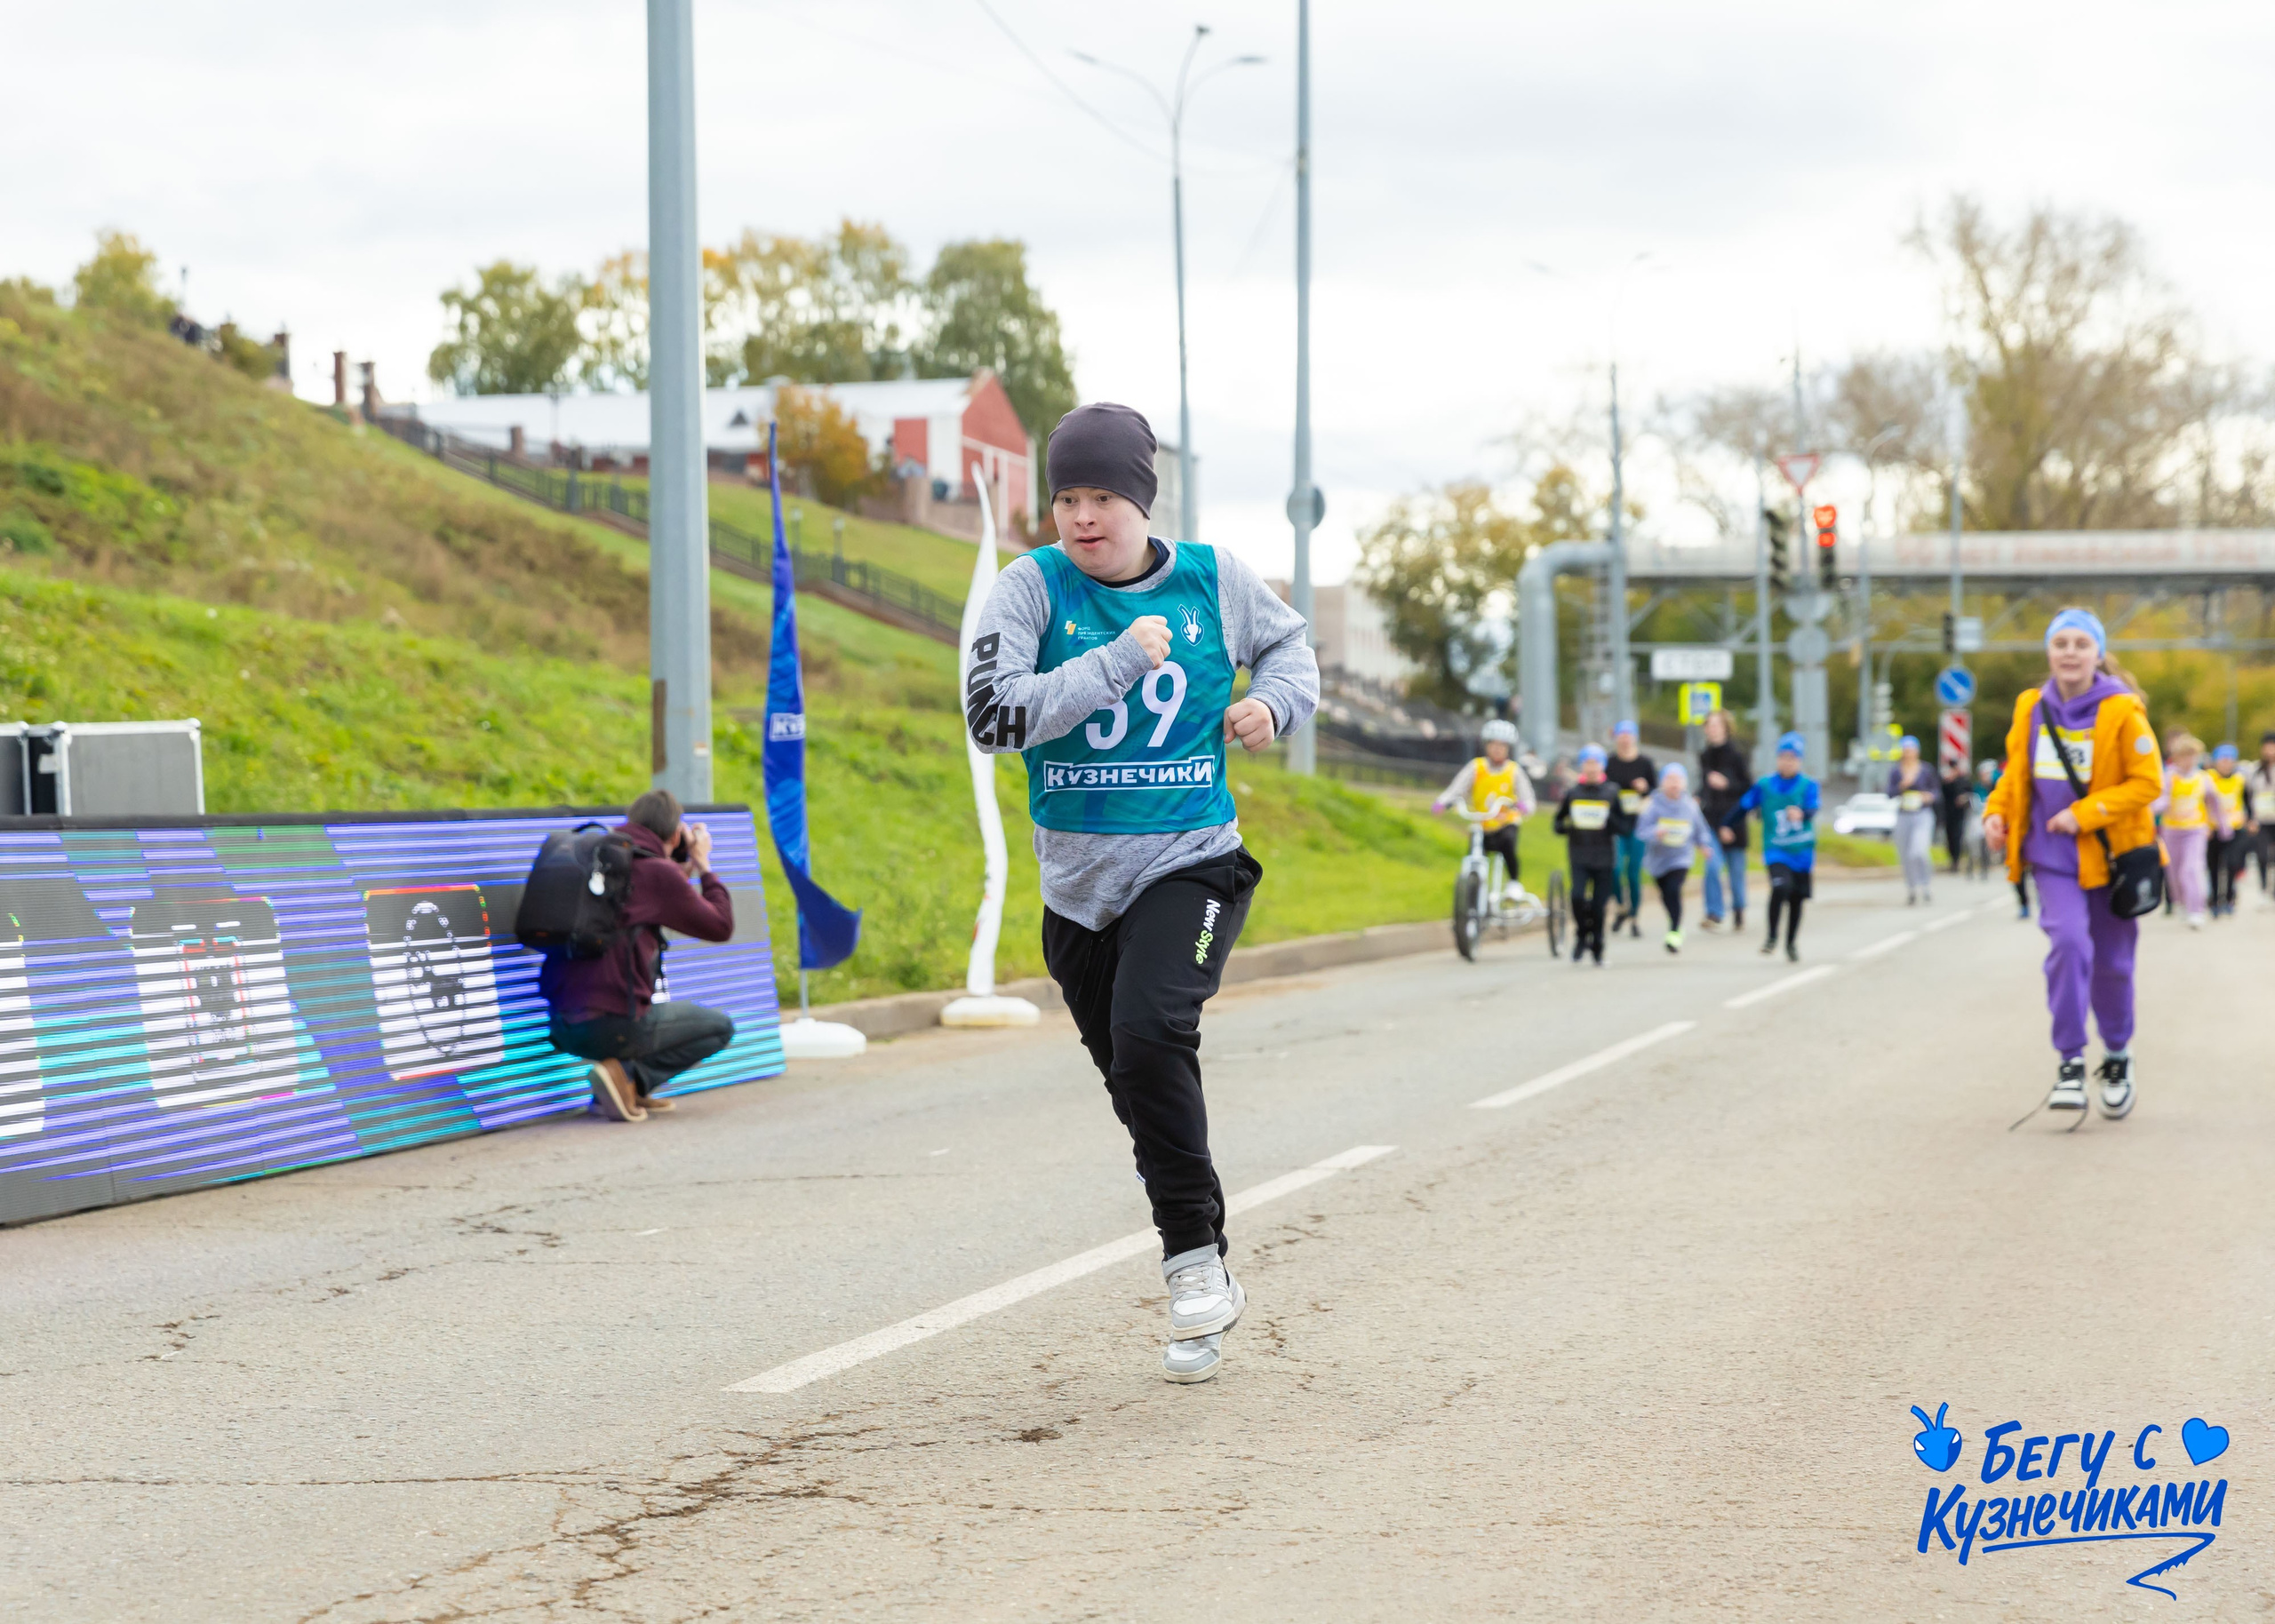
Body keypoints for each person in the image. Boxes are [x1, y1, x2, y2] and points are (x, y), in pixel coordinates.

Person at [963, 401, 1319, 1386]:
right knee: (1132, 1076)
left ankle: (1193, 1265)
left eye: (1104, 497)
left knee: (1154, 1034)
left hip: (1189, 860)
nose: (1083, 517)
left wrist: (1273, 702)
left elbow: (1294, 651)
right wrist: (1117, 660)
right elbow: (994, 717)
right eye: (1066, 497)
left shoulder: (1214, 580)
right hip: (1078, 890)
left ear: (1143, 500)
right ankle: (1202, 1259)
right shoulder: (1030, 590)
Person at [1981, 608, 2161, 1118]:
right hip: (2052, 856)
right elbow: (2016, 775)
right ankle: (2070, 1062)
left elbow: (2148, 783)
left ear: (2098, 654)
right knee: (2067, 944)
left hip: (2115, 857)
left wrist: (2084, 813)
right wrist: (1996, 814)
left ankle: (2118, 1054)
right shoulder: (2030, 707)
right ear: (2049, 652)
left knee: (2113, 964)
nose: (2070, 652)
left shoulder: (2124, 710)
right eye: (2061, 643)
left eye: (2081, 644)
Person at [541, 788, 738, 1122]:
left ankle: (623, 1085)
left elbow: (651, 901)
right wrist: (704, 865)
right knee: (720, 1027)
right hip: (616, 1026)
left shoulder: (598, 858)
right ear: (677, 835)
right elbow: (720, 925)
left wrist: (680, 873)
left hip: (562, 1027)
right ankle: (629, 1077)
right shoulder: (657, 873)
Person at [1726, 731, 1818, 960]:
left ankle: (1791, 943)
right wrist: (1726, 825)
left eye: (1792, 758)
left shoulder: (1808, 785)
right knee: (1780, 887)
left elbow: (1813, 808)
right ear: (1777, 759)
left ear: (1799, 760)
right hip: (1776, 849)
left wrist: (1802, 814)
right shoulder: (1765, 785)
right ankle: (1772, 936)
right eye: (1783, 757)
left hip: (1802, 851)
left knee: (1796, 898)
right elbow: (1744, 805)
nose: (1787, 762)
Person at [1433, 720, 1537, 905]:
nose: (1497, 749)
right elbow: (1457, 789)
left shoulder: (1514, 771)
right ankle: (1473, 894)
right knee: (1473, 853)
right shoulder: (1476, 767)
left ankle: (1514, 882)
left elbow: (1528, 797)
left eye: (1502, 746)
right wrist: (1442, 803)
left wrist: (1524, 806)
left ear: (1508, 748)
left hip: (1505, 822)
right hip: (1481, 823)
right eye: (1493, 745)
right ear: (1487, 745)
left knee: (1508, 845)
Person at [1554, 744, 1629, 965]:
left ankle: (1597, 943)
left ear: (1602, 766)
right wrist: (1571, 827)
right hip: (1579, 854)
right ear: (1582, 766)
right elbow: (1558, 823)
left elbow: (1624, 827)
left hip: (1604, 857)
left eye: (1596, 763)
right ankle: (1581, 934)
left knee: (1598, 905)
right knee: (1577, 897)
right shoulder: (1573, 793)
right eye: (1587, 763)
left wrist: (1608, 819)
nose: (1591, 767)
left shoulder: (1612, 792)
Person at [1638, 761, 1717, 952]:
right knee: (1666, 895)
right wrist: (1656, 832)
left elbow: (1700, 829)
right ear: (1662, 783)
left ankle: (1674, 931)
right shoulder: (1653, 805)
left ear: (1684, 784)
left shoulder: (1689, 806)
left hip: (1681, 858)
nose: (1674, 784)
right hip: (1658, 860)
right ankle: (1675, 921)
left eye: (1678, 779)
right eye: (1670, 779)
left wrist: (1704, 845)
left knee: (1674, 889)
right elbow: (1641, 831)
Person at [2153, 733, 2227, 929]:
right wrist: (2153, 808)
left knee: (2192, 869)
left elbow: (2215, 803)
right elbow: (2161, 799)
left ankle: (2197, 910)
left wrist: (2222, 826)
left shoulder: (2203, 778)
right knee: (2175, 873)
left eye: (2192, 756)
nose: (2188, 761)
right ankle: (2182, 903)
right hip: (2172, 831)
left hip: (2195, 830)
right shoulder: (2169, 776)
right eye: (2184, 756)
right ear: (2176, 758)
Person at [1696, 709, 1752, 932]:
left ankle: (1738, 909)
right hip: (1711, 819)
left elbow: (1748, 788)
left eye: (1716, 725)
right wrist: (1697, 796)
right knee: (1712, 866)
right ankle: (1714, 912)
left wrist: (1727, 784)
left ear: (1726, 728)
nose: (1712, 729)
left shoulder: (1737, 755)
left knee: (1736, 872)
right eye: (1709, 725)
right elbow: (1705, 786)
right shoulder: (1704, 756)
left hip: (1734, 819)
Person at [1603, 721, 1657, 938]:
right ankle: (1620, 906)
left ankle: (1634, 916)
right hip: (1616, 824)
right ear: (1616, 738)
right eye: (1621, 736)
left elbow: (1656, 793)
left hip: (1639, 825)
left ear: (1635, 738)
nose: (1625, 740)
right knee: (1615, 870)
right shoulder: (1609, 763)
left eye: (1629, 735)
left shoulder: (1645, 763)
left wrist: (1646, 789)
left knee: (1633, 873)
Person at [1888, 735, 1942, 906]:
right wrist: (1902, 786)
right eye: (1906, 750)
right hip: (1904, 814)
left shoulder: (1926, 770)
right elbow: (1889, 793)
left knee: (1918, 852)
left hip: (1922, 814)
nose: (1909, 754)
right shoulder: (1896, 771)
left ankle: (1925, 884)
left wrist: (1928, 796)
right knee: (1905, 854)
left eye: (1911, 750)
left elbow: (1936, 792)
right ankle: (1911, 888)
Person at [2205, 743, 2247, 918]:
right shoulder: (2208, 778)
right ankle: (2214, 900)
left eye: (2229, 760)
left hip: (2234, 827)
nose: (2226, 764)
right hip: (2213, 829)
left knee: (2231, 864)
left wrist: (2249, 818)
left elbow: (2247, 800)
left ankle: (2229, 897)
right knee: (2214, 866)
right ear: (2215, 762)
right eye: (2222, 760)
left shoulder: (2239, 779)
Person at [2246, 732, 2275, 898]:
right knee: (2263, 856)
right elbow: (2248, 796)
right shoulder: (2255, 770)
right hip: (2261, 820)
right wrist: (2250, 818)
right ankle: (2263, 888)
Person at [1939, 756, 1974, 873]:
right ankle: (1952, 858)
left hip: (1960, 813)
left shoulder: (1963, 780)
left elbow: (1969, 793)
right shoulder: (1946, 780)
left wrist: (1963, 799)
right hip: (1948, 812)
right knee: (1949, 837)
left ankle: (1956, 860)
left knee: (1957, 835)